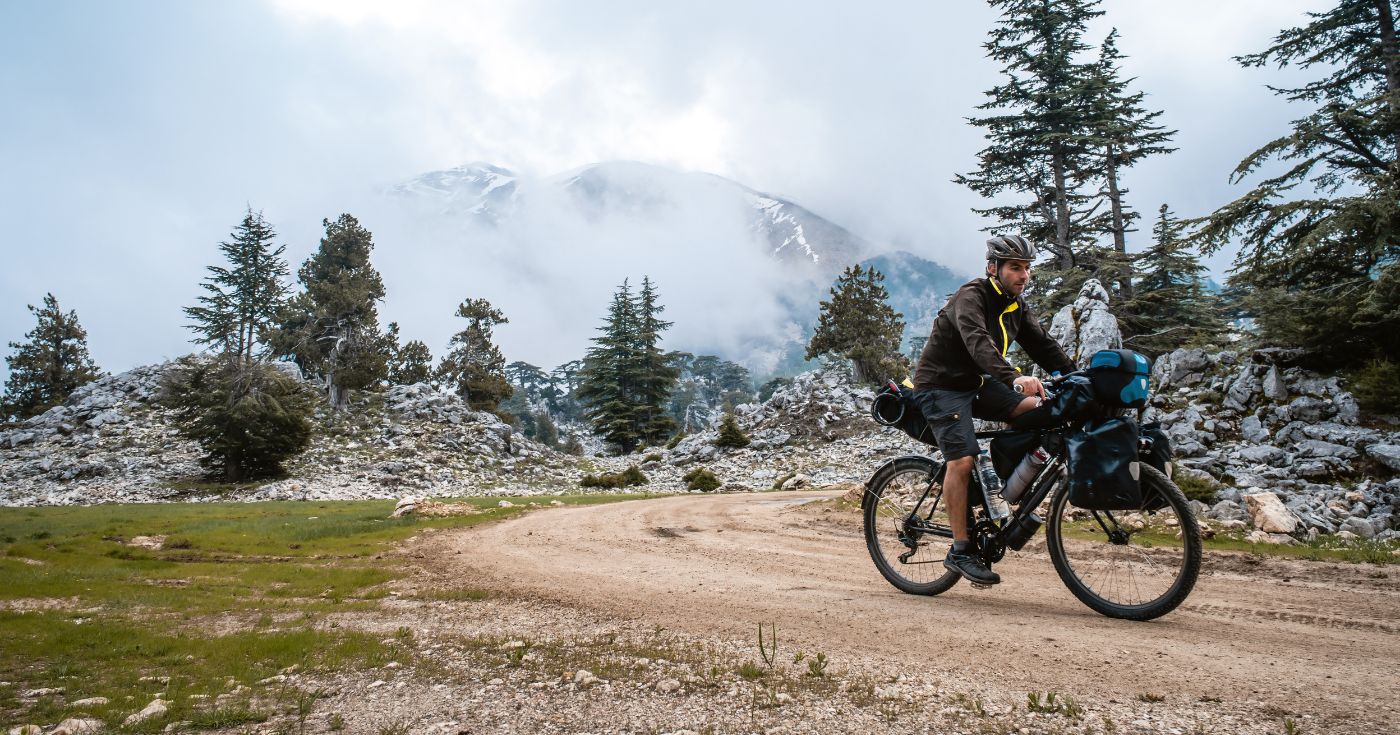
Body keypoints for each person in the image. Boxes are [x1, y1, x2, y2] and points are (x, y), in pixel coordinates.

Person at [910, 235, 1075, 585]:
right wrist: (1015, 377)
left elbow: (1044, 346)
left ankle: (998, 487)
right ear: (992, 268)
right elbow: (978, 344)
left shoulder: (1016, 305)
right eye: (1015, 267)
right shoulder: (971, 297)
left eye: (1027, 268)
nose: (1024, 275)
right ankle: (960, 549)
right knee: (962, 459)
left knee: (1038, 410)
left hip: (976, 383)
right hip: (940, 386)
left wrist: (1079, 378)